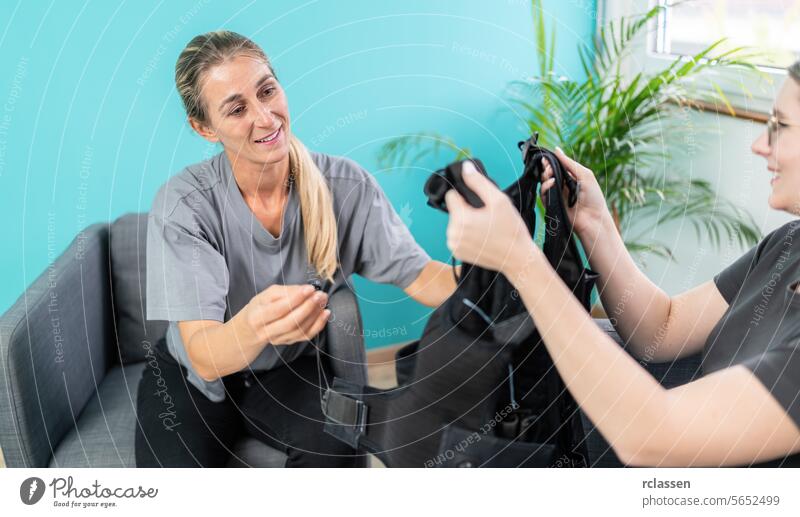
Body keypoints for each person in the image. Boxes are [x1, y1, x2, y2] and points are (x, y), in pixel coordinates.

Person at [443, 61, 800, 467]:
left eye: (781, 126)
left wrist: (521, 261)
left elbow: (652, 437)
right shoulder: (788, 246)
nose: (759, 144)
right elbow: (662, 330)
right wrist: (595, 227)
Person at [136, 30, 456, 467]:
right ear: (203, 127)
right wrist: (255, 327)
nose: (266, 118)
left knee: (341, 459)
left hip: (288, 370)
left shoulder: (346, 187)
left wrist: (514, 278)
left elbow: (420, 275)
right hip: (192, 378)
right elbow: (206, 358)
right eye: (237, 109)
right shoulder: (184, 205)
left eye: (267, 91)